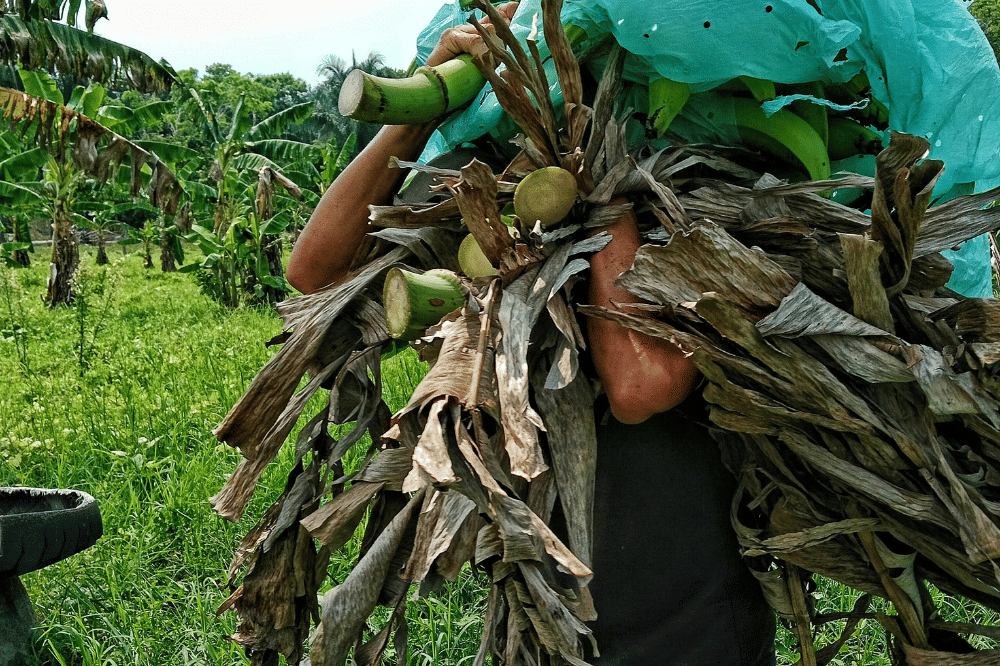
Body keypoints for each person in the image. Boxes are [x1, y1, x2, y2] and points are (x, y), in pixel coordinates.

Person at [286, 5, 776, 664]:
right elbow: (317, 274)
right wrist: (421, 102)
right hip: (544, 617)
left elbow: (640, 385)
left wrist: (598, 161)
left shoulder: (686, 176)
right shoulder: (482, 181)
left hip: (694, 627)